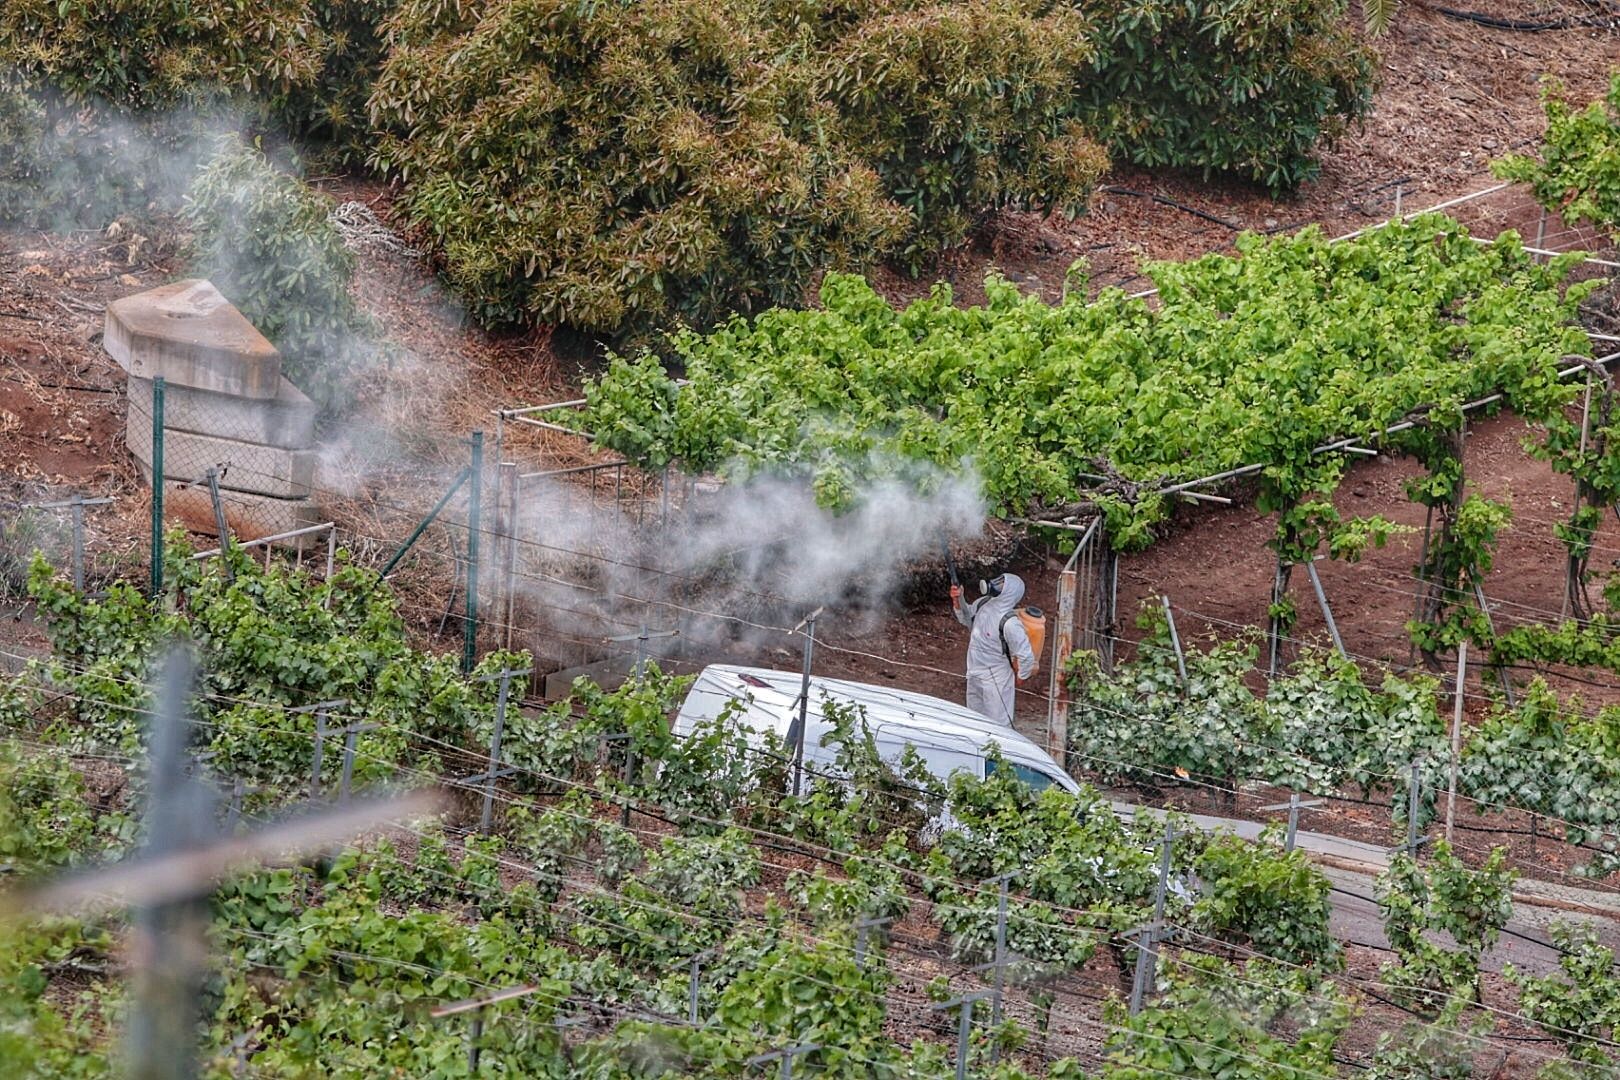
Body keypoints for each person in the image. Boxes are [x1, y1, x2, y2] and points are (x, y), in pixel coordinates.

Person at [950, 572, 1034, 726]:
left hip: (997, 679)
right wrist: (958, 599)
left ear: (1010, 592)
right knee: (974, 718)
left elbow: (1026, 655)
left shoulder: (1010, 623)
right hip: (974, 671)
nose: (996, 584)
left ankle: (1000, 750)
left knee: (999, 725)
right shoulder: (983, 603)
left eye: (1002, 583)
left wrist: (1021, 677)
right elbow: (967, 618)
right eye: (999, 579)